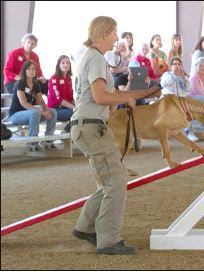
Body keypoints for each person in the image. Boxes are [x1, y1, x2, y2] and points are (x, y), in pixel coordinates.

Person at [70, 16, 160, 255]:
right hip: (91, 126)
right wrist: (126, 99)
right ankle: (108, 240)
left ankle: (87, 227)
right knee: (117, 180)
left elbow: (109, 94)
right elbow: (101, 96)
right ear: (103, 32)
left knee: (113, 178)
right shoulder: (97, 59)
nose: (117, 38)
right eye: (114, 33)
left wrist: (146, 91)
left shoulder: (91, 58)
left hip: (88, 125)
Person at [7, 61, 57, 151]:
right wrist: (41, 112)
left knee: (53, 112)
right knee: (35, 113)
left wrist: (46, 110)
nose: (31, 71)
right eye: (29, 69)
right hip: (16, 115)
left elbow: (41, 101)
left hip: (30, 114)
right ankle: (32, 142)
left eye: (33, 69)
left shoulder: (36, 84)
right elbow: (24, 103)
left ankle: (48, 140)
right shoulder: (20, 83)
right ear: (24, 71)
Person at [160, 57, 198, 142]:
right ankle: (167, 131)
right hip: (168, 99)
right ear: (171, 66)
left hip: (181, 100)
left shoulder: (183, 76)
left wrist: (183, 77)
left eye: (179, 64)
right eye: (174, 64)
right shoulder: (167, 75)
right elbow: (163, 84)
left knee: (187, 109)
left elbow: (189, 88)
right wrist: (174, 74)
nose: (177, 66)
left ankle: (189, 132)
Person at [47, 55, 74, 133]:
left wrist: (78, 106)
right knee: (76, 112)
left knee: (81, 111)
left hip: (65, 108)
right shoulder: (54, 79)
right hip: (54, 110)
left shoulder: (69, 79)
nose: (66, 65)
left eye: (68, 63)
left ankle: (67, 133)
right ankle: (65, 132)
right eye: (63, 63)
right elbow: (59, 100)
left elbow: (71, 98)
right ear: (58, 65)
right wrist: (75, 107)